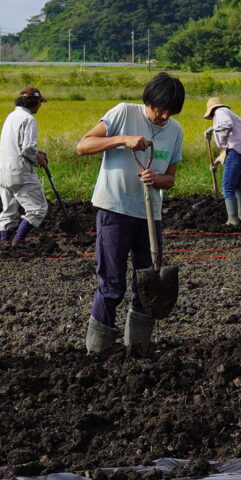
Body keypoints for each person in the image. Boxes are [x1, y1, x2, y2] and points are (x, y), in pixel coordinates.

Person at [74, 71, 184, 357]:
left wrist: (156, 179)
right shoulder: (123, 113)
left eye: (170, 112)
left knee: (147, 282)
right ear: (148, 101)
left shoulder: (176, 131)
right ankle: (98, 351)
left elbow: (170, 179)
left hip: (150, 216)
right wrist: (122, 140)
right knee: (111, 283)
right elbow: (83, 146)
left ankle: (137, 348)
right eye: (160, 109)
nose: (164, 116)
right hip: (115, 209)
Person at [0, 87, 50, 245]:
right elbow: (27, 148)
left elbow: (16, 144)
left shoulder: (11, 116)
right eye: (40, 102)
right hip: (20, 172)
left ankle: (4, 243)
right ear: (35, 101)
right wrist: (38, 159)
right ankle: (18, 241)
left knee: (9, 210)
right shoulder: (29, 119)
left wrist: (36, 152)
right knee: (37, 208)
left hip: (4, 172)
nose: (40, 106)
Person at [205, 94, 241, 225]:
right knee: (236, 185)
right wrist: (216, 162)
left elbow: (226, 126)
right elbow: (228, 147)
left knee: (227, 187)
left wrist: (212, 129)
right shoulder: (231, 114)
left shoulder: (220, 112)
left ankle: (232, 220)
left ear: (212, 110)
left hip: (237, 152)